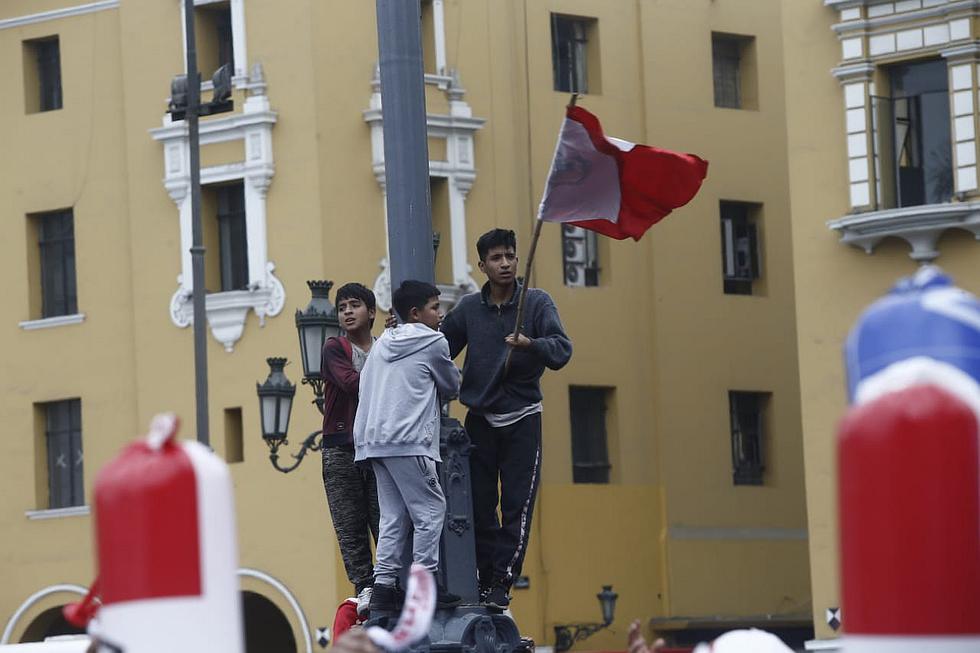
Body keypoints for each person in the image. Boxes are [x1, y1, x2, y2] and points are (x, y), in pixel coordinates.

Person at [440, 228, 572, 610]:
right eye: (496, 258)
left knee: (518, 505)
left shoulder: (536, 303)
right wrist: (407, 335)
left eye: (510, 257)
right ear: (482, 266)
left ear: (518, 260)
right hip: (480, 417)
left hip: (523, 417)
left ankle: (502, 581)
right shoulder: (468, 308)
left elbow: (562, 350)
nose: (505, 264)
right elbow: (440, 346)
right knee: (480, 505)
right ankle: (483, 577)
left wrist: (532, 344)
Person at [355, 280, 462, 613]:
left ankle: (384, 587)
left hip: (373, 441)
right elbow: (451, 385)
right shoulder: (433, 341)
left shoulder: (384, 340)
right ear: (416, 313)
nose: (440, 313)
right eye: (434, 306)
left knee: (393, 515)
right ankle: (424, 586)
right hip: (408, 440)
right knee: (430, 511)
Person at [320, 283, 382, 617]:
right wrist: (390, 369)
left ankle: (388, 580)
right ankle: (364, 584)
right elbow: (351, 383)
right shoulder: (335, 347)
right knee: (349, 523)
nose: (347, 311)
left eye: (354, 305)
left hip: (376, 447)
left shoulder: (384, 347)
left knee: (382, 518)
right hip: (341, 447)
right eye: (342, 306)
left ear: (371, 312)